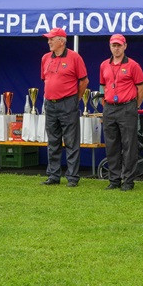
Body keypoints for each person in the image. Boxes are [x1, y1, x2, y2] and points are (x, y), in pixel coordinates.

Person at [40, 27, 89, 187]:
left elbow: (84, 81)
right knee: (52, 141)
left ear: (61, 41)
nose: (49, 42)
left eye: (51, 39)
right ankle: (53, 176)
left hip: (68, 103)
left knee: (71, 141)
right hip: (50, 103)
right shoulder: (45, 58)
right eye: (48, 39)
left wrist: (76, 99)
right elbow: (45, 80)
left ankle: (72, 177)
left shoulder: (74, 57)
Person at [99, 34, 143, 191]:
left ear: (125, 46)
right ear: (110, 46)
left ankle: (128, 180)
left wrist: (134, 105)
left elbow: (142, 88)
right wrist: (105, 104)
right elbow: (102, 86)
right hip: (109, 108)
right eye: (114, 45)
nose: (116, 48)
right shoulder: (104, 65)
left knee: (129, 145)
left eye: (119, 45)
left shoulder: (133, 65)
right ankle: (114, 180)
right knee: (111, 145)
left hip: (127, 107)